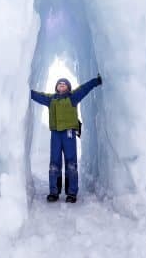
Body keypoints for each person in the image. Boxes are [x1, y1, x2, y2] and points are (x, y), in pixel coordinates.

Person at [30, 74, 102, 203]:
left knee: (71, 163)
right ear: (56, 87)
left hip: (68, 133)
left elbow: (84, 88)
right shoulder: (51, 99)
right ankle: (54, 191)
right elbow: (39, 96)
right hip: (56, 134)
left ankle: (71, 192)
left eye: (64, 84)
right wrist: (26, 91)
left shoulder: (73, 97)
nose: (62, 85)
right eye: (59, 83)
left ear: (68, 87)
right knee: (54, 163)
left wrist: (96, 81)